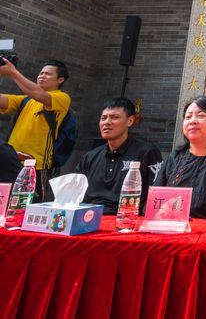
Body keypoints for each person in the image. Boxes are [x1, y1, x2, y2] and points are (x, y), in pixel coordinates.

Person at [75, 97, 162, 214]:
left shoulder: (147, 152)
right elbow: (74, 193)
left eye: (114, 117)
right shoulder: (90, 157)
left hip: (127, 219)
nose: (107, 122)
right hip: (88, 219)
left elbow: (155, 192)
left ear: (130, 121)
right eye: (103, 118)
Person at [0, 59, 71, 199]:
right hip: (11, 162)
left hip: (36, 167)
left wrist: (13, 73)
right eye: (41, 73)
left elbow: (38, 94)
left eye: (48, 74)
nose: (42, 76)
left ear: (60, 79)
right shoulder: (25, 100)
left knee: (32, 207)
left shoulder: (62, 98)